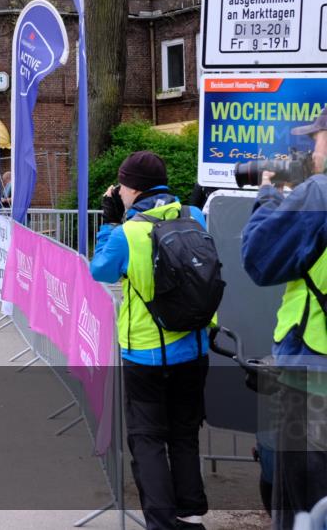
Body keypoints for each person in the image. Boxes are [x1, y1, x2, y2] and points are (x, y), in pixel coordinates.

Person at [89, 151, 213, 530]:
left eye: (123, 186)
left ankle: (161, 521)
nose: (120, 192)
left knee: (147, 438)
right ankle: (190, 509)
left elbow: (100, 271)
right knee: (184, 432)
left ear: (133, 188)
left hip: (146, 352)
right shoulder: (194, 216)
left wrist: (110, 222)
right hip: (194, 346)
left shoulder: (128, 232)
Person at [241, 107, 327, 530]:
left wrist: (270, 196)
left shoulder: (319, 196)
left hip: (314, 382)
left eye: (317, 139)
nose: (312, 150)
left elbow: (260, 258)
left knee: (304, 509)